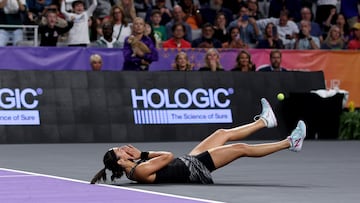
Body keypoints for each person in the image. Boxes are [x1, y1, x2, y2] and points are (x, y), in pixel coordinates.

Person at [90, 98, 307, 184]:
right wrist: (142, 154)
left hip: (188, 161)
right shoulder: (138, 170)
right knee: (241, 149)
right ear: (120, 162)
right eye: (120, 151)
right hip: (195, 169)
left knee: (222, 133)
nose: (125, 149)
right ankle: (290, 142)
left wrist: (139, 157)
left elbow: (171, 161)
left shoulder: (134, 169)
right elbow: (168, 156)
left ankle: (264, 122)